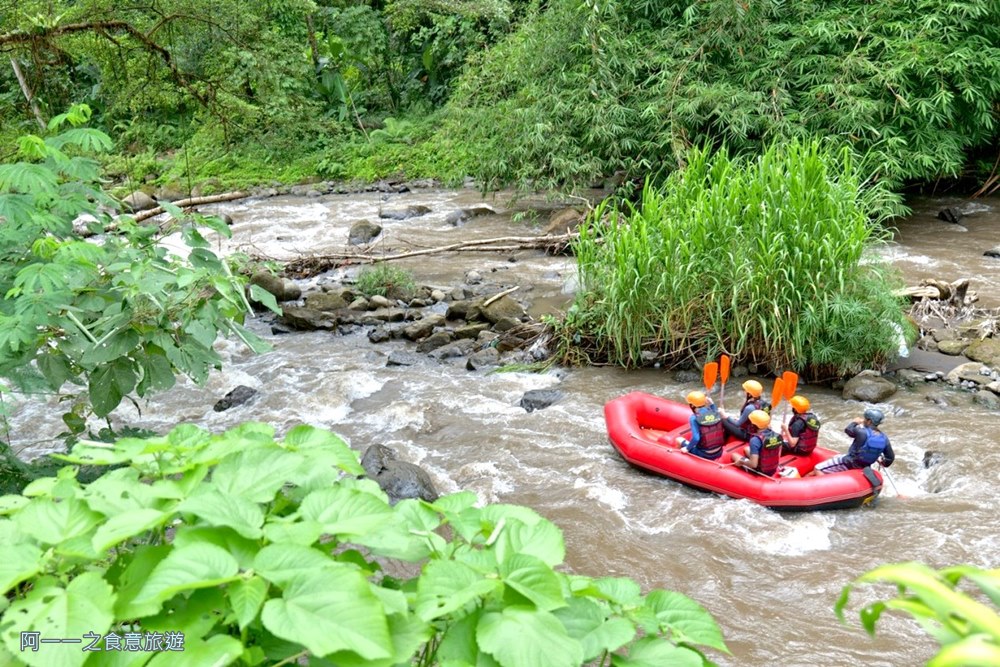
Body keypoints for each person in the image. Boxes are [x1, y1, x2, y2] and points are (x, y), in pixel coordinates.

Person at [806, 408, 894, 476]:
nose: (863, 420)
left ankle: (823, 487)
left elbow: (848, 430)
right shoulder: (884, 438)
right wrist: (881, 461)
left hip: (849, 463)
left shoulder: (861, 432)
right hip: (864, 466)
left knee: (817, 468)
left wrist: (854, 422)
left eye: (865, 419)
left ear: (869, 421)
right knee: (835, 457)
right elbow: (889, 459)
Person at [730, 410, 785, 476]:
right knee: (747, 449)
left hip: (761, 470)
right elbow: (778, 454)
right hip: (773, 467)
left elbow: (754, 464)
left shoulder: (755, 440)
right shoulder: (777, 435)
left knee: (734, 455)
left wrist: (741, 461)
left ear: (755, 425)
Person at [676, 390, 726, 461]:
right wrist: (712, 404)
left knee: (678, 440)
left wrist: (687, 449)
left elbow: (696, 438)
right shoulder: (714, 412)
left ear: (692, 405)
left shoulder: (694, 418)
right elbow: (715, 410)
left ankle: (680, 460)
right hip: (719, 452)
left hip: (704, 454)